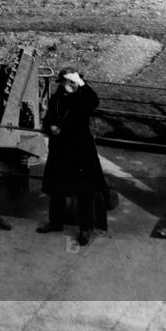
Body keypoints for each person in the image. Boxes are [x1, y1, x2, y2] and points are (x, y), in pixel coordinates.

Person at [37, 68, 108, 246]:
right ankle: (55, 222)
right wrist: (50, 127)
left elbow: (93, 101)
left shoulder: (83, 97)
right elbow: (48, 118)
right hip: (60, 149)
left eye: (72, 82)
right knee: (56, 189)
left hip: (80, 150)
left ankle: (85, 229)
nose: (68, 85)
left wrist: (81, 83)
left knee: (84, 191)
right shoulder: (57, 98)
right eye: (65, 82)